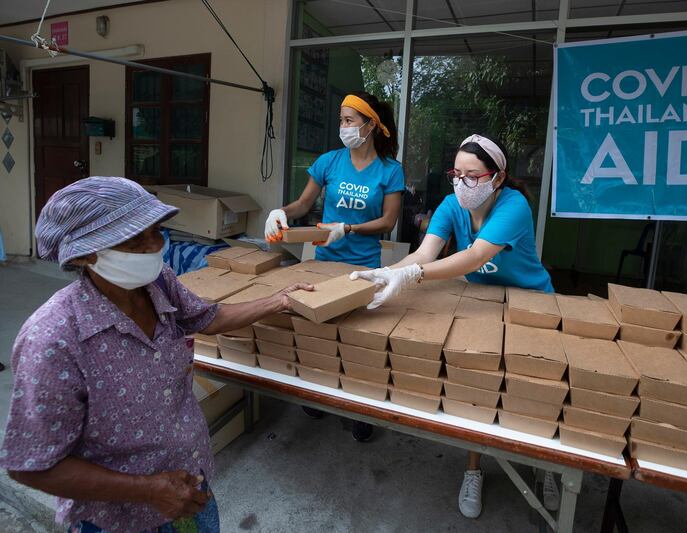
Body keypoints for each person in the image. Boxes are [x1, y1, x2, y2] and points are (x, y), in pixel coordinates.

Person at [0, 177, 312, 533]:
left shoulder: (158, 283)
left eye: (157, 232)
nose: (155, 246)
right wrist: (147, 491)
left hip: (190, 489)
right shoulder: (54, 339)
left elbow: (208, 318)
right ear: (86, 253)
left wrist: (281, 299)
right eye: (136, 240)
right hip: (117, 519)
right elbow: (32, 464)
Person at [351, 134, 560, 518]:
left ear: (497, 178)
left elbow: (474, 257)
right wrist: (383, 274)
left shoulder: (514, 206)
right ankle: (474, 469)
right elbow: (424, 253)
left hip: (532, 302)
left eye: (473, 176)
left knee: (533, 388)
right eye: (457, 174)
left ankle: (546, 467)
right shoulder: (451, 205)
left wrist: (413, 275)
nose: (463, 184)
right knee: (476, 385)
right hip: (481, 303)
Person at [265, 91, 405, 442]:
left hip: (361, 266)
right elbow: (302, 204)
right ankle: (318, 394)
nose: (342, 127)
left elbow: (388, 221)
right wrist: (279, 212)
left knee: (356, 341)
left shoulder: (390, 171)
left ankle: (360, 408)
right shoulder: (329, 162)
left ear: (370, 125)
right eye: (341, 120)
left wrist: (349, 228)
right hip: (324, 263)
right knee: (319, 332)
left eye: (348, 120)